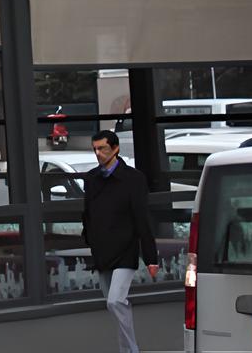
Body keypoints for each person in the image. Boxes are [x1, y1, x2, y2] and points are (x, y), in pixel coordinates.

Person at [82, 129, 158, 353]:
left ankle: (132, 349)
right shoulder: (92, 178)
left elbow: (142, 218)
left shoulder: (134, 179)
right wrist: (90, 239)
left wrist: (151, 258)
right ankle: (127, 349)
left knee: (115, 301)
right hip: (102, 251)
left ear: (115, 148)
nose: (98, 153)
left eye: (102, 148)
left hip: (126, 250)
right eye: (95, 149)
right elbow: (88, 213)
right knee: (113, 305)